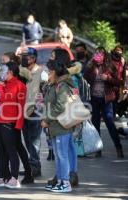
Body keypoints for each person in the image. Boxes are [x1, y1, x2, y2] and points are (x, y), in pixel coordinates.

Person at [0, 62, 27, 189]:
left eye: (3, 71)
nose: (0, 73)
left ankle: (14, 178)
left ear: (10, 72)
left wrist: (19, 125)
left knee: (11, 151)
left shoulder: (19, 85)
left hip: (9, 122)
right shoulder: (1, 83)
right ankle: (0, 176)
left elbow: (7, 100)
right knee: (0, 151)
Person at [0, 52, 34, 185]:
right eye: (1, 62)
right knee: (16, 146)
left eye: (4, 61)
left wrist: (18, 123)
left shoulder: (20, 78)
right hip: (3, 118)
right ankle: (12, 173)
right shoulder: (3, 76)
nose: (2, 64)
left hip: (15, 118)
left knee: (16, 147)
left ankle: (24, 173)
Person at [42, 59, 76, 193]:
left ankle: (66, 182)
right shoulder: (53, 84)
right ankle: (61, 180)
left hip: (62, 126)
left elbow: (60, 106)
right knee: (58, 154)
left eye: (49, 71)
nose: (47, 73)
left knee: (62, 155)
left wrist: (47, 120)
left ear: (55, 72)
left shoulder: (63, 86)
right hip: (55, 126)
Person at [84, 47, 124, 158]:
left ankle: (118, 148)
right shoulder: (92, 67)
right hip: (94, 99)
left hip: (106, 100)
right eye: (96, 53)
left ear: (104, 55)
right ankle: (98, 149)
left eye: (100, 54)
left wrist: (108, 78)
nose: (98, 55)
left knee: (110, 124)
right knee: (95, 124)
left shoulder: (110, 67)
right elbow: (84, 78)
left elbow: (119, 82)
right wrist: (90, 65)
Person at [19, 47, 48, 178]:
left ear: (34, 58)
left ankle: (35, 167)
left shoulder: (42, 73)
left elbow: (47, 94)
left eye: (27, 57)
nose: (24, 59)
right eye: (23, 56)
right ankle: (31, 166)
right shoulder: (21, 72)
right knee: (27, 140)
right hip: (22, 111)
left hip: (36, 111)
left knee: (34, 141)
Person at [110, 45, 126, 117]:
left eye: (120, 50)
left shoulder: (122, 60)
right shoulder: (110, 59)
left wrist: (124, 83)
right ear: (114, 50)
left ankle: (112, 115)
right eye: (117, 50)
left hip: (118, 83)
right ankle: (109, 115)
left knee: (116, 100)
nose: (118, 52)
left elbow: (124, 72)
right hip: (109, 82)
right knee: (109, 99)